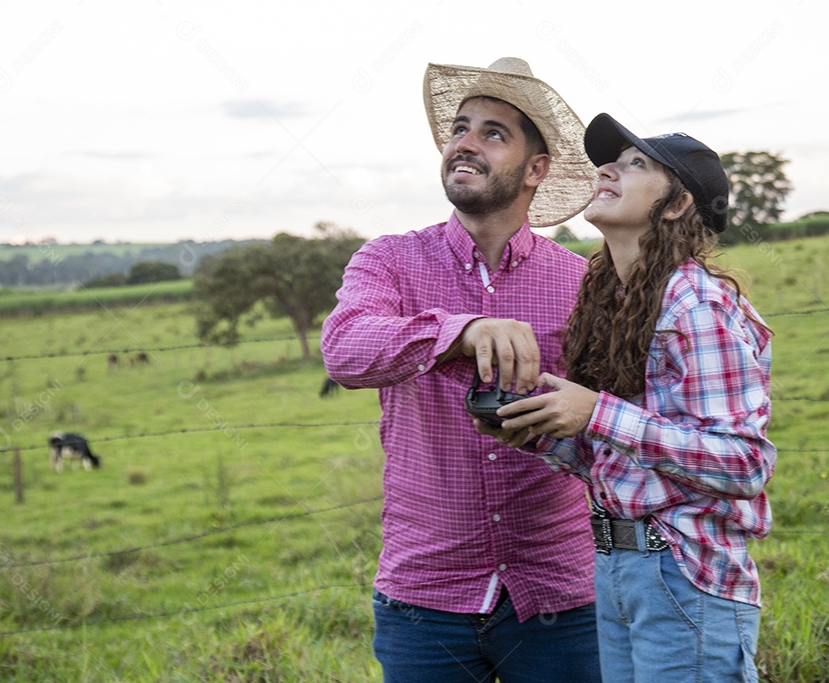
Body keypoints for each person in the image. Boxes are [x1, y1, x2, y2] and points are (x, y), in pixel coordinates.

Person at [321, 58, 602, 683]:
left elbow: (615, 413)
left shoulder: (581, 282)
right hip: (426, 594)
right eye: (459, 128)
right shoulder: (389, 261)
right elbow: (345, 350)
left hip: (558, 592)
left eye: (493, 133)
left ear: (536, 169)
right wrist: (459, 332)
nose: (465, 144)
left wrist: (566, 419)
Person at [481, 113, 776, 682]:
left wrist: (597, 412)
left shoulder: (697, 306)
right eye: (611, 160)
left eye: (636, 164)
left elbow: (744, 464)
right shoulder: (616, 302)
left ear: (675, 205)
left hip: (685, 572)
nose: (608, 169)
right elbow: (625, 459)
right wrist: (541, 432)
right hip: (617, 567)